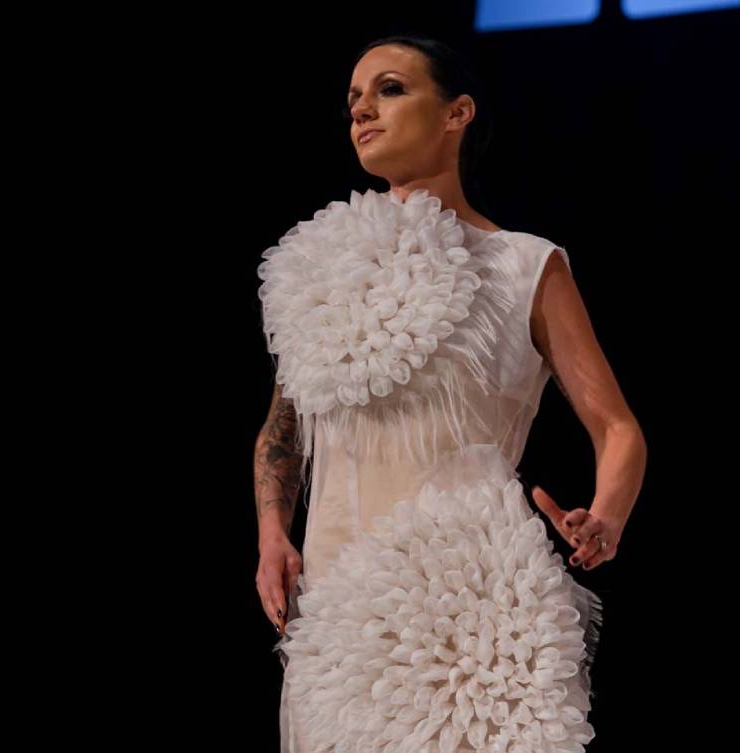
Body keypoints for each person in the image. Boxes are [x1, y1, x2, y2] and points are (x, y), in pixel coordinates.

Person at [254, 34, 647, 753]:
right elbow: (284, 424)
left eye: (391, 89)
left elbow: (617, 427)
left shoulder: (524, 265)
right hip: (336, 613)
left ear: (457, 112)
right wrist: (272, 531)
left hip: (468, 605)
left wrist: (607, 516)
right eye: (353, 100)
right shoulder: (314, 267)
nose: (362, 110)